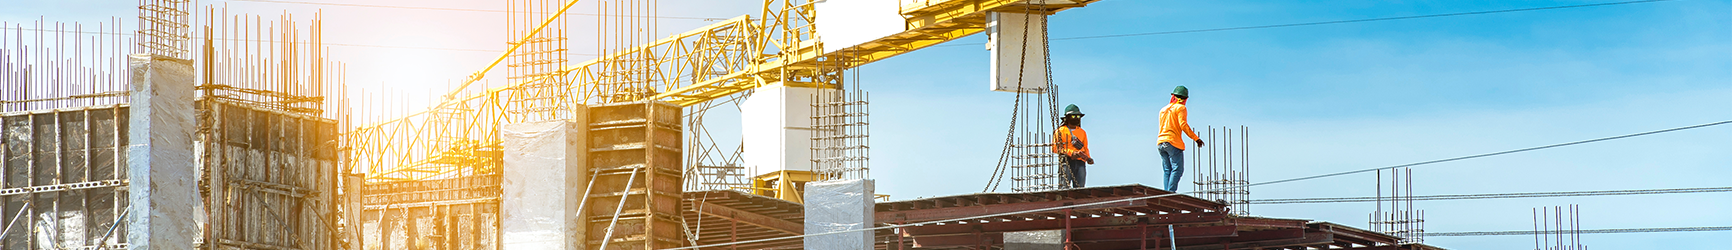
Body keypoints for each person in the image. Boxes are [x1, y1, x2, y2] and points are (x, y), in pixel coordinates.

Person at [1157, 86, 1203, 192]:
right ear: (1184, 98)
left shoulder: (1163, 110)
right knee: (1177, 169)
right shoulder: (1180, 108)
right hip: (1173, 142)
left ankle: (1166, 192)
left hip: (1160, 142)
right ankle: (1170, 192)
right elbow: (1183, 125)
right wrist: (1196, 139)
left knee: (1167, 170)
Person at [1052, 104, 1094, 188]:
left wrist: (1088, 158)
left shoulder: (1082, 132)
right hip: (1066, 162)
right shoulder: (1060, 131)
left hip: (1080, 162)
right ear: (1067, 117)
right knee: (1064, 186)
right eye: (1073, 116)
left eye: (1078, 116)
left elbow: (1085, 147)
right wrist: (1071, 153)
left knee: (1080, 187)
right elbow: (1055, 148)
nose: (1076, 118)